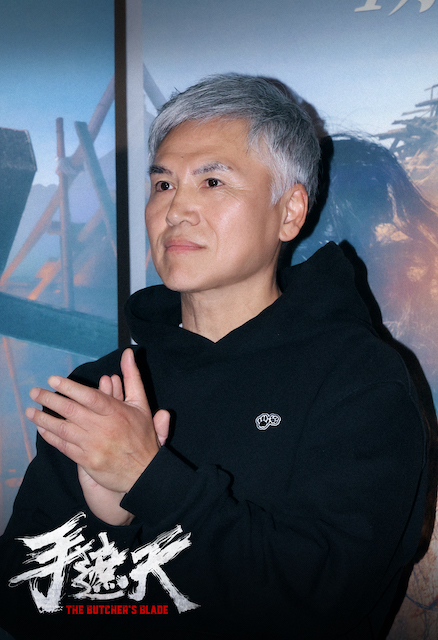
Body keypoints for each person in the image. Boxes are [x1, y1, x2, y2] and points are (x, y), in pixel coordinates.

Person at [0, 74, 428, 639]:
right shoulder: (103, 385)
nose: (176, 209)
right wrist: (107, 524)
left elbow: (318, 605)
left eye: (212, 181)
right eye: (163, 184)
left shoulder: (359, 379)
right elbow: (26, 599)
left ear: (290, 211)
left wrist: (149, 480)